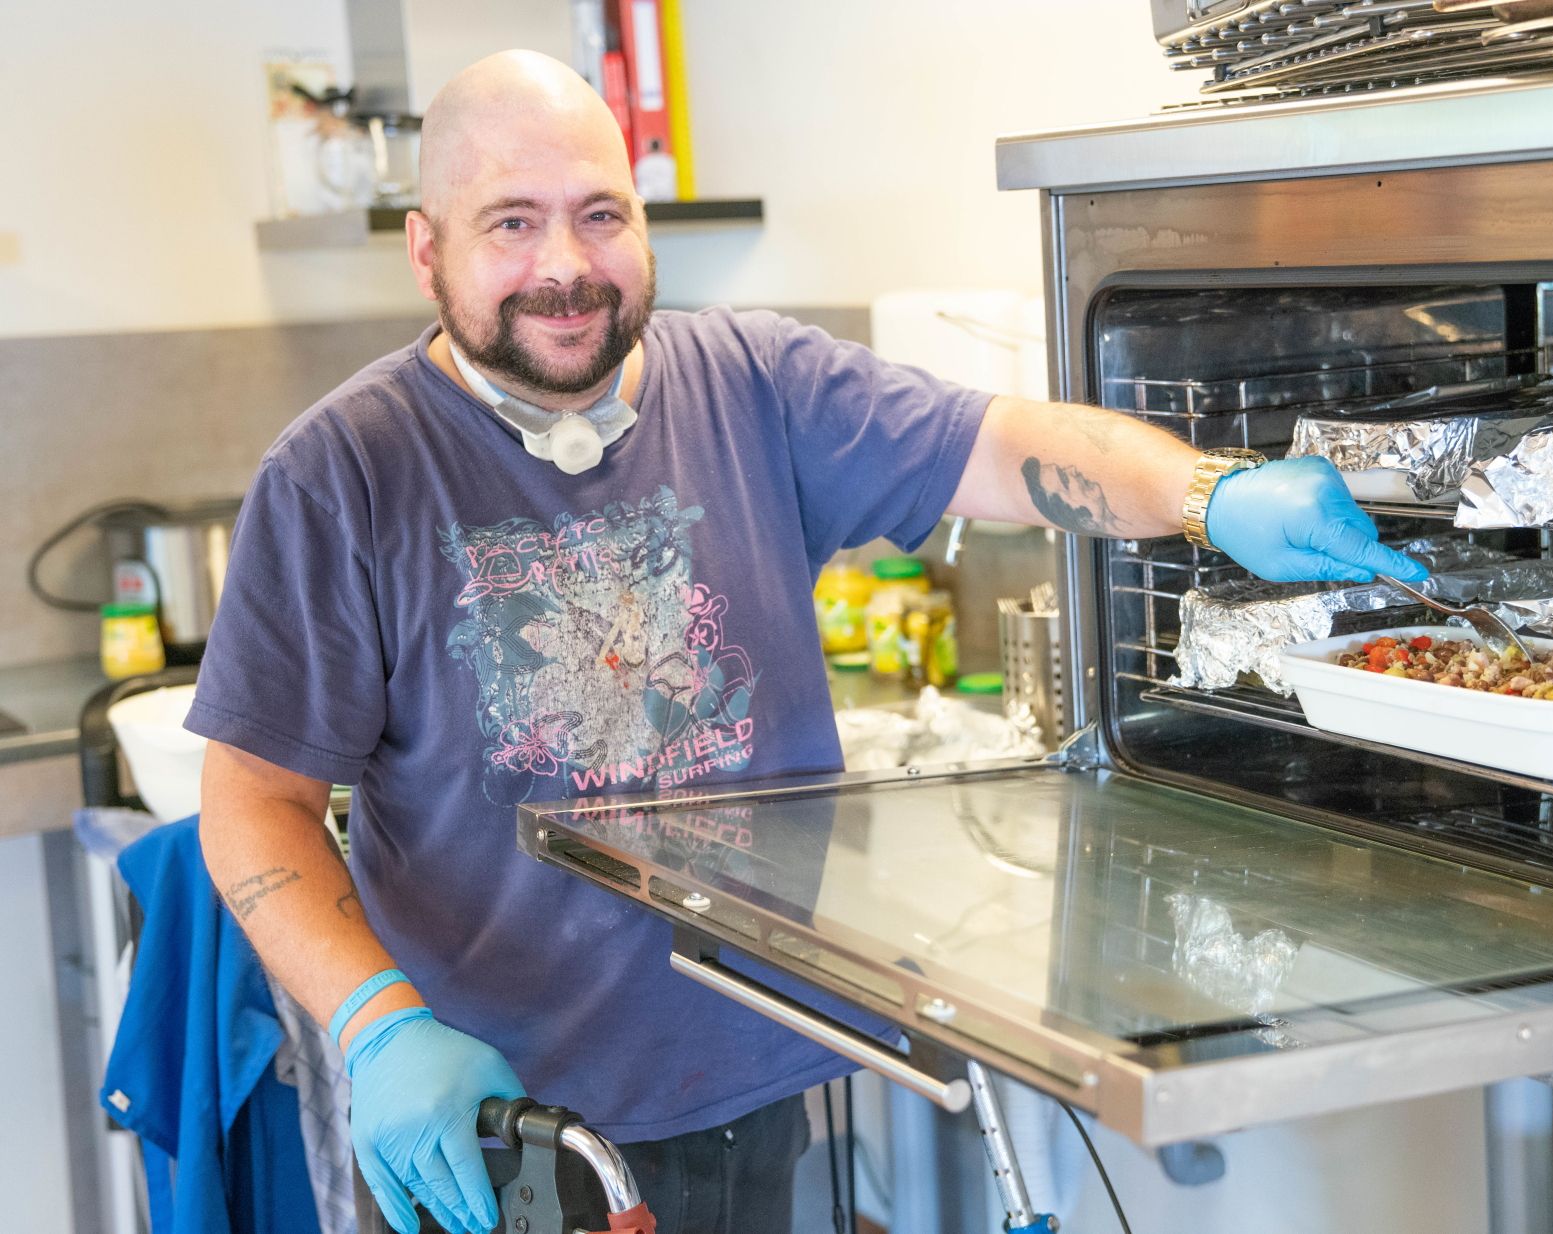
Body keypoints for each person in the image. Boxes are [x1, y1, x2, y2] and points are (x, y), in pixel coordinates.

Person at [189, 49, 1426, 1234]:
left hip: (753, 1072)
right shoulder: (342, 473)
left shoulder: (755, 383)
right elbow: (251, 798)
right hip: (501, 1125)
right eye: (510, 222)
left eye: (600, 215)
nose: (564, 265)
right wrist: (378, 1026)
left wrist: (1208, 492)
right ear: (427, 249)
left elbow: (1003, 445)